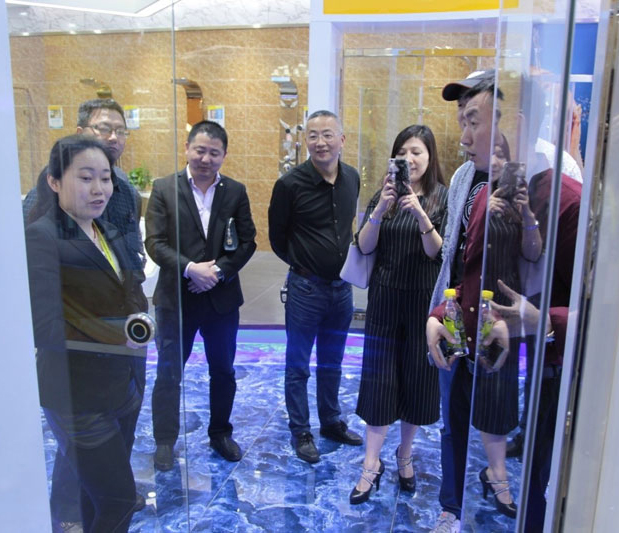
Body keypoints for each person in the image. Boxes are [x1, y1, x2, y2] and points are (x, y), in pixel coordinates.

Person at [24, 98, 147, 531]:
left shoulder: (105, 229)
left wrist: (139, 321)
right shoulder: (41, 238)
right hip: (76, 393)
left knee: (99, 498)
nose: (99, 189)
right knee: (118, 502)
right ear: (55, 181)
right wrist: (118, 334)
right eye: (85, 178)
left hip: (121, 383)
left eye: (105, 178)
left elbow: (126, 292)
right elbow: (45, 327)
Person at [146, 120, 256, 469]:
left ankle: (220, 433)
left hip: (221, 300)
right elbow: (154, 243)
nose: (206, 159)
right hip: (176, 299)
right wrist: (191, 269)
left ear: (224, 155)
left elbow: (248, 241)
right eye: (200, 150)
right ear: (187, 148)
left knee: (223, 370)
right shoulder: (164, 188)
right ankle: (165, 441)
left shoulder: (235, 191)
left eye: (214, 153)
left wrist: (218, 272)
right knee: (168, 373)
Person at [349, 125, 447, 504]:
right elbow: (364, 246)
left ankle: (404, 455)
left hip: (423, 303)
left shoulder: (441, 197)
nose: (409, 159)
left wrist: (421, 214)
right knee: (379, 381)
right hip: (384, 301)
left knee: (416, 382)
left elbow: (437, 252)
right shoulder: (383, 195)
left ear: (430, 156)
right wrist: (379, 210)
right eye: (402, 152)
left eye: (417, 151)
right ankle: (370, 464)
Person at [268, 109, 362, 464]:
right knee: (298, 365)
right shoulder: (289, 185)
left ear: (342, 139)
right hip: (305, 289)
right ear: (305, 141)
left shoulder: (352, 178)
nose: (320, 142)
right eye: (312, 135)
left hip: (342, 290)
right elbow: (277, 239)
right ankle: (301, 431)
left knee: (332, 362)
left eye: (327, 134)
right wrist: (304, 262)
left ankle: (331, 421)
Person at [428, 70, 495, 533]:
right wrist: (440, 311)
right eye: (461, 119)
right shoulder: (463, 176)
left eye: (473, 118)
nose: (464, 132)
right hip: (454, 315)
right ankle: (450, 507)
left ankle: (500, 482)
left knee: (496, 418)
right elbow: (452, 254)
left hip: (501, 322)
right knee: (451, 418)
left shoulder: (538, 174)